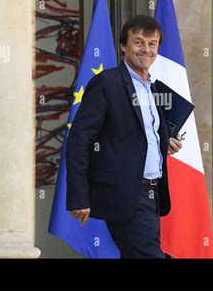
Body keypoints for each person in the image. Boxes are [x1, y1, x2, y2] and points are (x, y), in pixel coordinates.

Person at [66, 15, 183, 258]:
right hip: (125, 193)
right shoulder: (106, 83)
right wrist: (78, 195)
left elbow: (139, 137)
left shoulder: (154, 88)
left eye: (152, 44)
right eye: (138, 42)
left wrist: (165, 144)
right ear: (123, 46)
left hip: (153, 193)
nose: (146, 49)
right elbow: (79, 140)